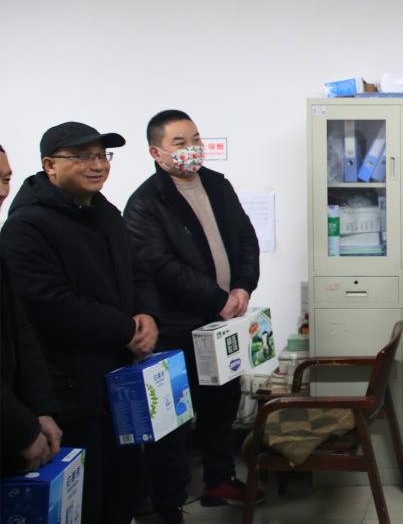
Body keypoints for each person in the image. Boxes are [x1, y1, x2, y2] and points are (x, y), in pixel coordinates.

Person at [0, 122, 159, 524]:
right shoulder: (27, 226)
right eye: (83, 156)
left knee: (125, 489)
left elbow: (138, 269)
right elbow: (50, 305)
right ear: (50, 165)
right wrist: (127, 329)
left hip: (118, 383)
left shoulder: (105, 212)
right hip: (72, 391)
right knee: (89, 501)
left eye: (102, 155)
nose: (97, 164)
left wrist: (146, 314)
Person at [123, 110, 262, 523]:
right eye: (180, 143)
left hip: (221, 324)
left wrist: (243, 287)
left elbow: (246, 238)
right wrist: (216, 298)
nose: (192, 149)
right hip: (174, 328)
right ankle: (169, 506)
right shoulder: (146, 202)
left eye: (196, 139)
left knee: (222, 406)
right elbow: (160, 265)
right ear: (157, 152)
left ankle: (220, 480)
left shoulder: (217, 184)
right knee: (172, 422)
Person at [1, 144, 62, 475]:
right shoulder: (23, 228)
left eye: (5, 179)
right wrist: (21, 428)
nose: (2, 191)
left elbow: (20, 332)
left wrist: (40, 409)